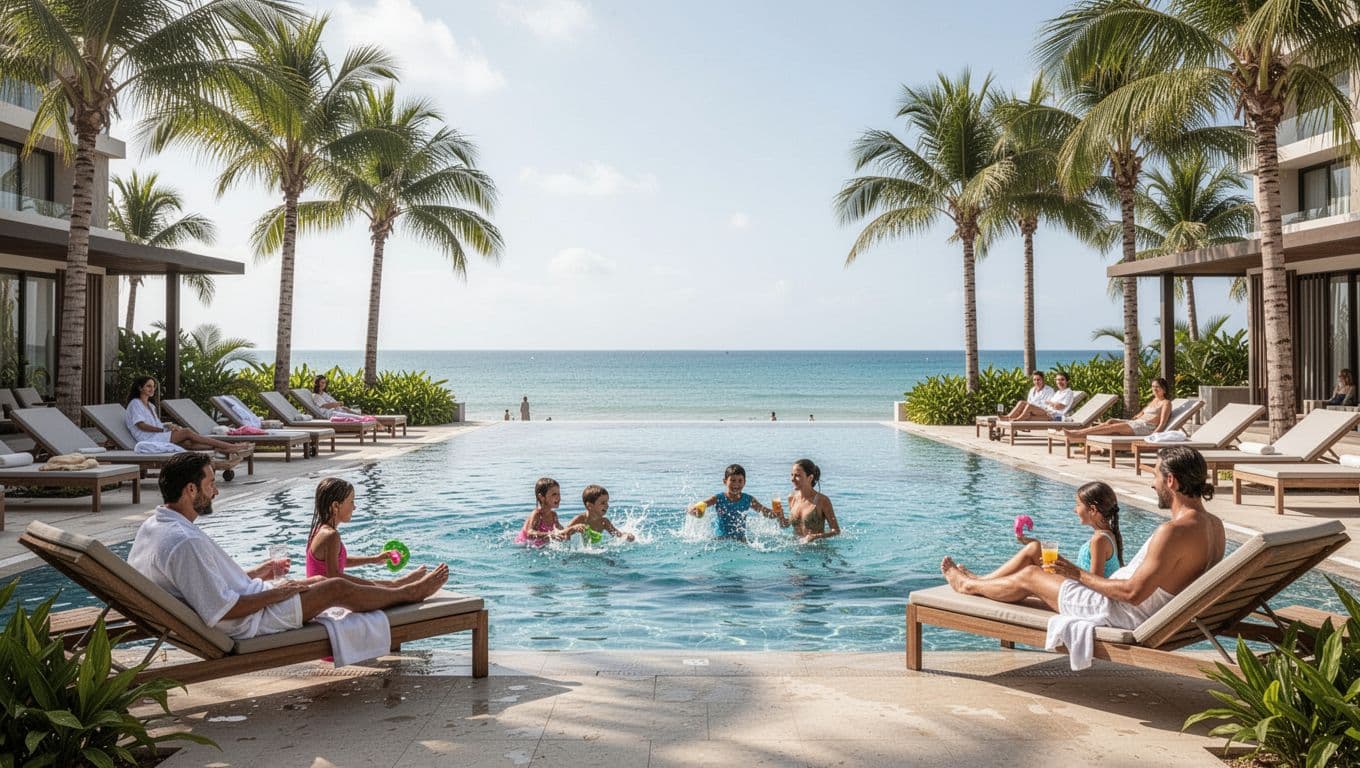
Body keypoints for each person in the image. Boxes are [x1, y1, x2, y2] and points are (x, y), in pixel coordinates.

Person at [940, 446, 1224, 669]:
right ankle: (979, 580)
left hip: (1119, 614)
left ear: (1171, 481)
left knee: (1030, 576)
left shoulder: (1172, 531)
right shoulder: (1215, 527)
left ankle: (967, 585)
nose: (1153, 484)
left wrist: (1076, 573)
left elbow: (1133, 593)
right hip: (1146, 612)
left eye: (1156, 477)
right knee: (1039, 582)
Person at [127, 452, 449, 641]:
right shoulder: (183, 542)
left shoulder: (156, 526)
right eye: (211, 484)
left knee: (322, 582)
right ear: (190, 489)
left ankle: (397, 585)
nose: (216, 493)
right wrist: (279, 592)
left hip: (251, 600)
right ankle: (409, 593)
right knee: (336, 588)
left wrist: (260, 573)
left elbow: (207, 584)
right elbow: (223, 610)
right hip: (249, 620)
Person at [973, 482, 1126, 582]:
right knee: (1035, 547)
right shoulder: (1108, 534)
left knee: (1031, 566)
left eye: (1078, 505)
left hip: (1083, 593)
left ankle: (982, 581)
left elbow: (1095, 581)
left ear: (1092, 509)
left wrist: (1066, 571)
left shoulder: (1099, 540)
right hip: (1079, 584)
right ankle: (983, 580)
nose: (1074, 509)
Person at [306, 477, 425, 585]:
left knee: (381, 587)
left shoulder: (319, 530)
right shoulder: (331, 535)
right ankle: (397, 583)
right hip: (328, 598)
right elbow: (334, 576)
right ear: (336, 506)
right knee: (389, 588)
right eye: (351, 502)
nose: (354, 507)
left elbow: (339, 562)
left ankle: (396, 584)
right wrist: (372, 585)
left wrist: (373, 559)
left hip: (324, 592)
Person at [125, 376, 249, 456]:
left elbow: (156, 424)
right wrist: (164, 429)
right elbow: (141, 425)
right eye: (148, 386)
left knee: (188, 443)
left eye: (153, 386)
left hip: (158, 435)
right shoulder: (135, 404)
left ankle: (221, 449)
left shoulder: (151, 406)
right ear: (140, 388)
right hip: (148, 438)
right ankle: (230, 446)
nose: (152, 389)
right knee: (187, 432)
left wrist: (169, 426)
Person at [687, 464, 787, 539]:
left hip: (740, 539)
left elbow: (764, 512)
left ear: (745, 482)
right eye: (733, 480)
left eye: (740, 481)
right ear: (725, 481)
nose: (736, 484)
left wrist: (776, 514)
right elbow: (699, 505)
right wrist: (694, 510)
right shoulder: (718, 498)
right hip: (720, 539)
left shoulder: (748, 499)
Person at [1066, 377, 1173, 438]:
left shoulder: (1166, 403)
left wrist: (1153, 436)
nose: (1154, 389)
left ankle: (1078, 433)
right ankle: (1087, 439)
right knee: (1111, 421)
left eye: (1157, 387)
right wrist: (1137, 416)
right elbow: (1140, 415)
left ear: (1164, 389)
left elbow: (1162, 423)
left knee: (1113, 428)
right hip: (1136, 423)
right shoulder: (1153, 400)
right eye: (1153, 386)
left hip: (1146, 428)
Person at [786, 458, 839, 543]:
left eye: (797, 475)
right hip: (795, 551)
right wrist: (780, 516)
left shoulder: (822, 500)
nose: (792, 479)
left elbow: (836, 531)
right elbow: (786, 525)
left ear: (810, 477)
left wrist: (815, 536)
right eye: (792, 475)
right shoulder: (792, 498)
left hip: (817, 552)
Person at [516, 477, 580, 547]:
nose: (558, 497)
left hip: (540, 546)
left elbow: (562, 531)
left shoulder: (553, 515)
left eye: (559, 494)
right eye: (554, 494)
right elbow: (530, 533)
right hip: (523, 545)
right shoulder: (537, 514)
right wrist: (551, 535)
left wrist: (573, 529)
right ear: (541, 497)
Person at [566, 484, 635, 544]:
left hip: (598, 549)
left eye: (607, 502)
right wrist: (574, 528)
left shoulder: (604, 522)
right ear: (590, 505)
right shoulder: (581, 519)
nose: (607, 506)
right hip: (585, 550)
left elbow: (618, 534)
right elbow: (564, 532)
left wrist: (626, 536)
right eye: (603, 503)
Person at [1002, 371, 1076, 422]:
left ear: (1067, 381)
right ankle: (1008, 417)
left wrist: (1050, 403)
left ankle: (1018, 420)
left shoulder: (1069, 392)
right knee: (1021, 402)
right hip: (1047, 411)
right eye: (1057, 380)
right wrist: (1051, 403)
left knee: (1029, 406)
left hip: (1053, 415)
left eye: (1062, 380)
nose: (1059, 382)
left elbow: (1059, 407)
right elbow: (1051, 404)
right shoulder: (1058, 392)